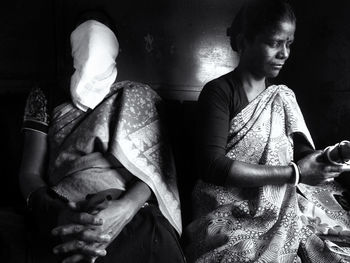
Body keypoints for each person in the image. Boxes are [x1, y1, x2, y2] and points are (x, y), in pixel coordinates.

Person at [184, 0, 350, 262]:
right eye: (274, 43)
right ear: (243, 42)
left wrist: (331, 156)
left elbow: (303, 155)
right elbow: (212, 166)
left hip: (277, 211)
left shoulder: (283, 97)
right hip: (226, 212)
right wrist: (293, 174)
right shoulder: (219, 92)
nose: (284, 53)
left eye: (289, 44)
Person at [19, 11, 185, 263]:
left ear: (114, 51)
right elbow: (29, 173)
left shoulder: (136, 95)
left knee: (150, 242)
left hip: (131, 210)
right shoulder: (45, 95)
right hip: (66, 209)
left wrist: (124, 210)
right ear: (71, 50)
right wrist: (58, 214)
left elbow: (157, 173)